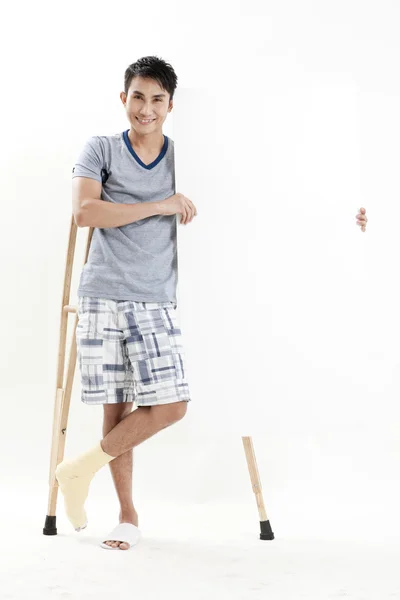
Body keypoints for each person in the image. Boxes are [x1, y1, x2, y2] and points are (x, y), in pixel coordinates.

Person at [56, 56, 197, 551]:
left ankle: (79, 470)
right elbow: (85, 211)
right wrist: (160, 205)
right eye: (138, 96)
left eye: (157, 99)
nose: (146, 108)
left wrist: (341, 214)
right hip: (102, 292)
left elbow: (250, 194)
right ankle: (127, 518)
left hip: (154, 297)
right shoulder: (100, 148)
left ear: (170, 105)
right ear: (124, 99)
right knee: (115, 413)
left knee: (171, 405)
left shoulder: (186, 156)